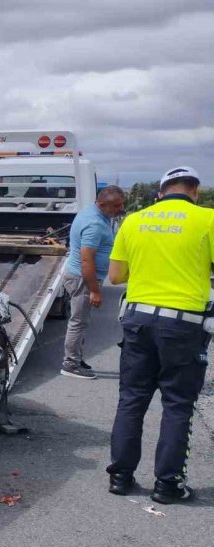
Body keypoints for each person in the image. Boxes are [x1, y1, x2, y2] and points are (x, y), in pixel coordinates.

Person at [106, 166, 214, 503]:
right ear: (195, 192)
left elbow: (115, 276)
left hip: (138, 319)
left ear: (160, 192)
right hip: (183, 324)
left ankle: (121, 477)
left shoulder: (135, 221)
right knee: (178, 405)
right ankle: (168, 485)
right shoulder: (207, 220)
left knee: (132, 399)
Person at [60, 185, 126, 379]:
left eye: (122, 204)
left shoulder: (94, 211)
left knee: (82, 321)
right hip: (82, 279)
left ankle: (76, 357)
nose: (120, 209)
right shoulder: (94, 224)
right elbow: (86, 260)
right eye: (116, 206)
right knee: (78, 322)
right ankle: (70, 364)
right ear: (102, 204)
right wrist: (95, 290)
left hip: (81, 277)